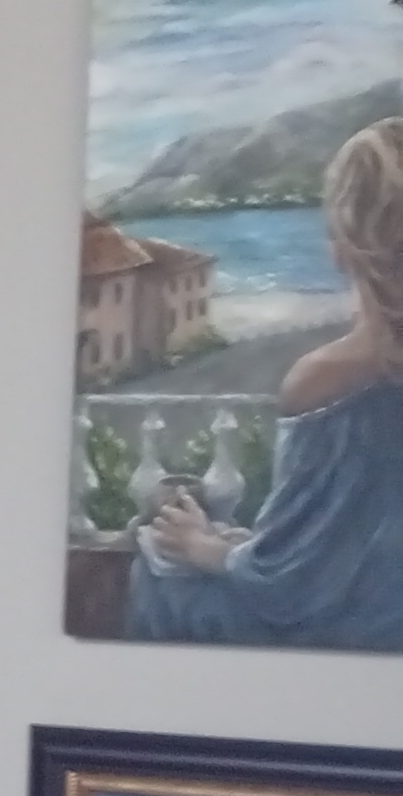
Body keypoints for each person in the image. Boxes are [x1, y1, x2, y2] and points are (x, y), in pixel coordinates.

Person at [128, 119, 403, 650]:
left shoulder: (324, 379)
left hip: (337, 632)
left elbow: (286, 584)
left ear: (341, 249)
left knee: (157, 570)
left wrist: (203, 545)